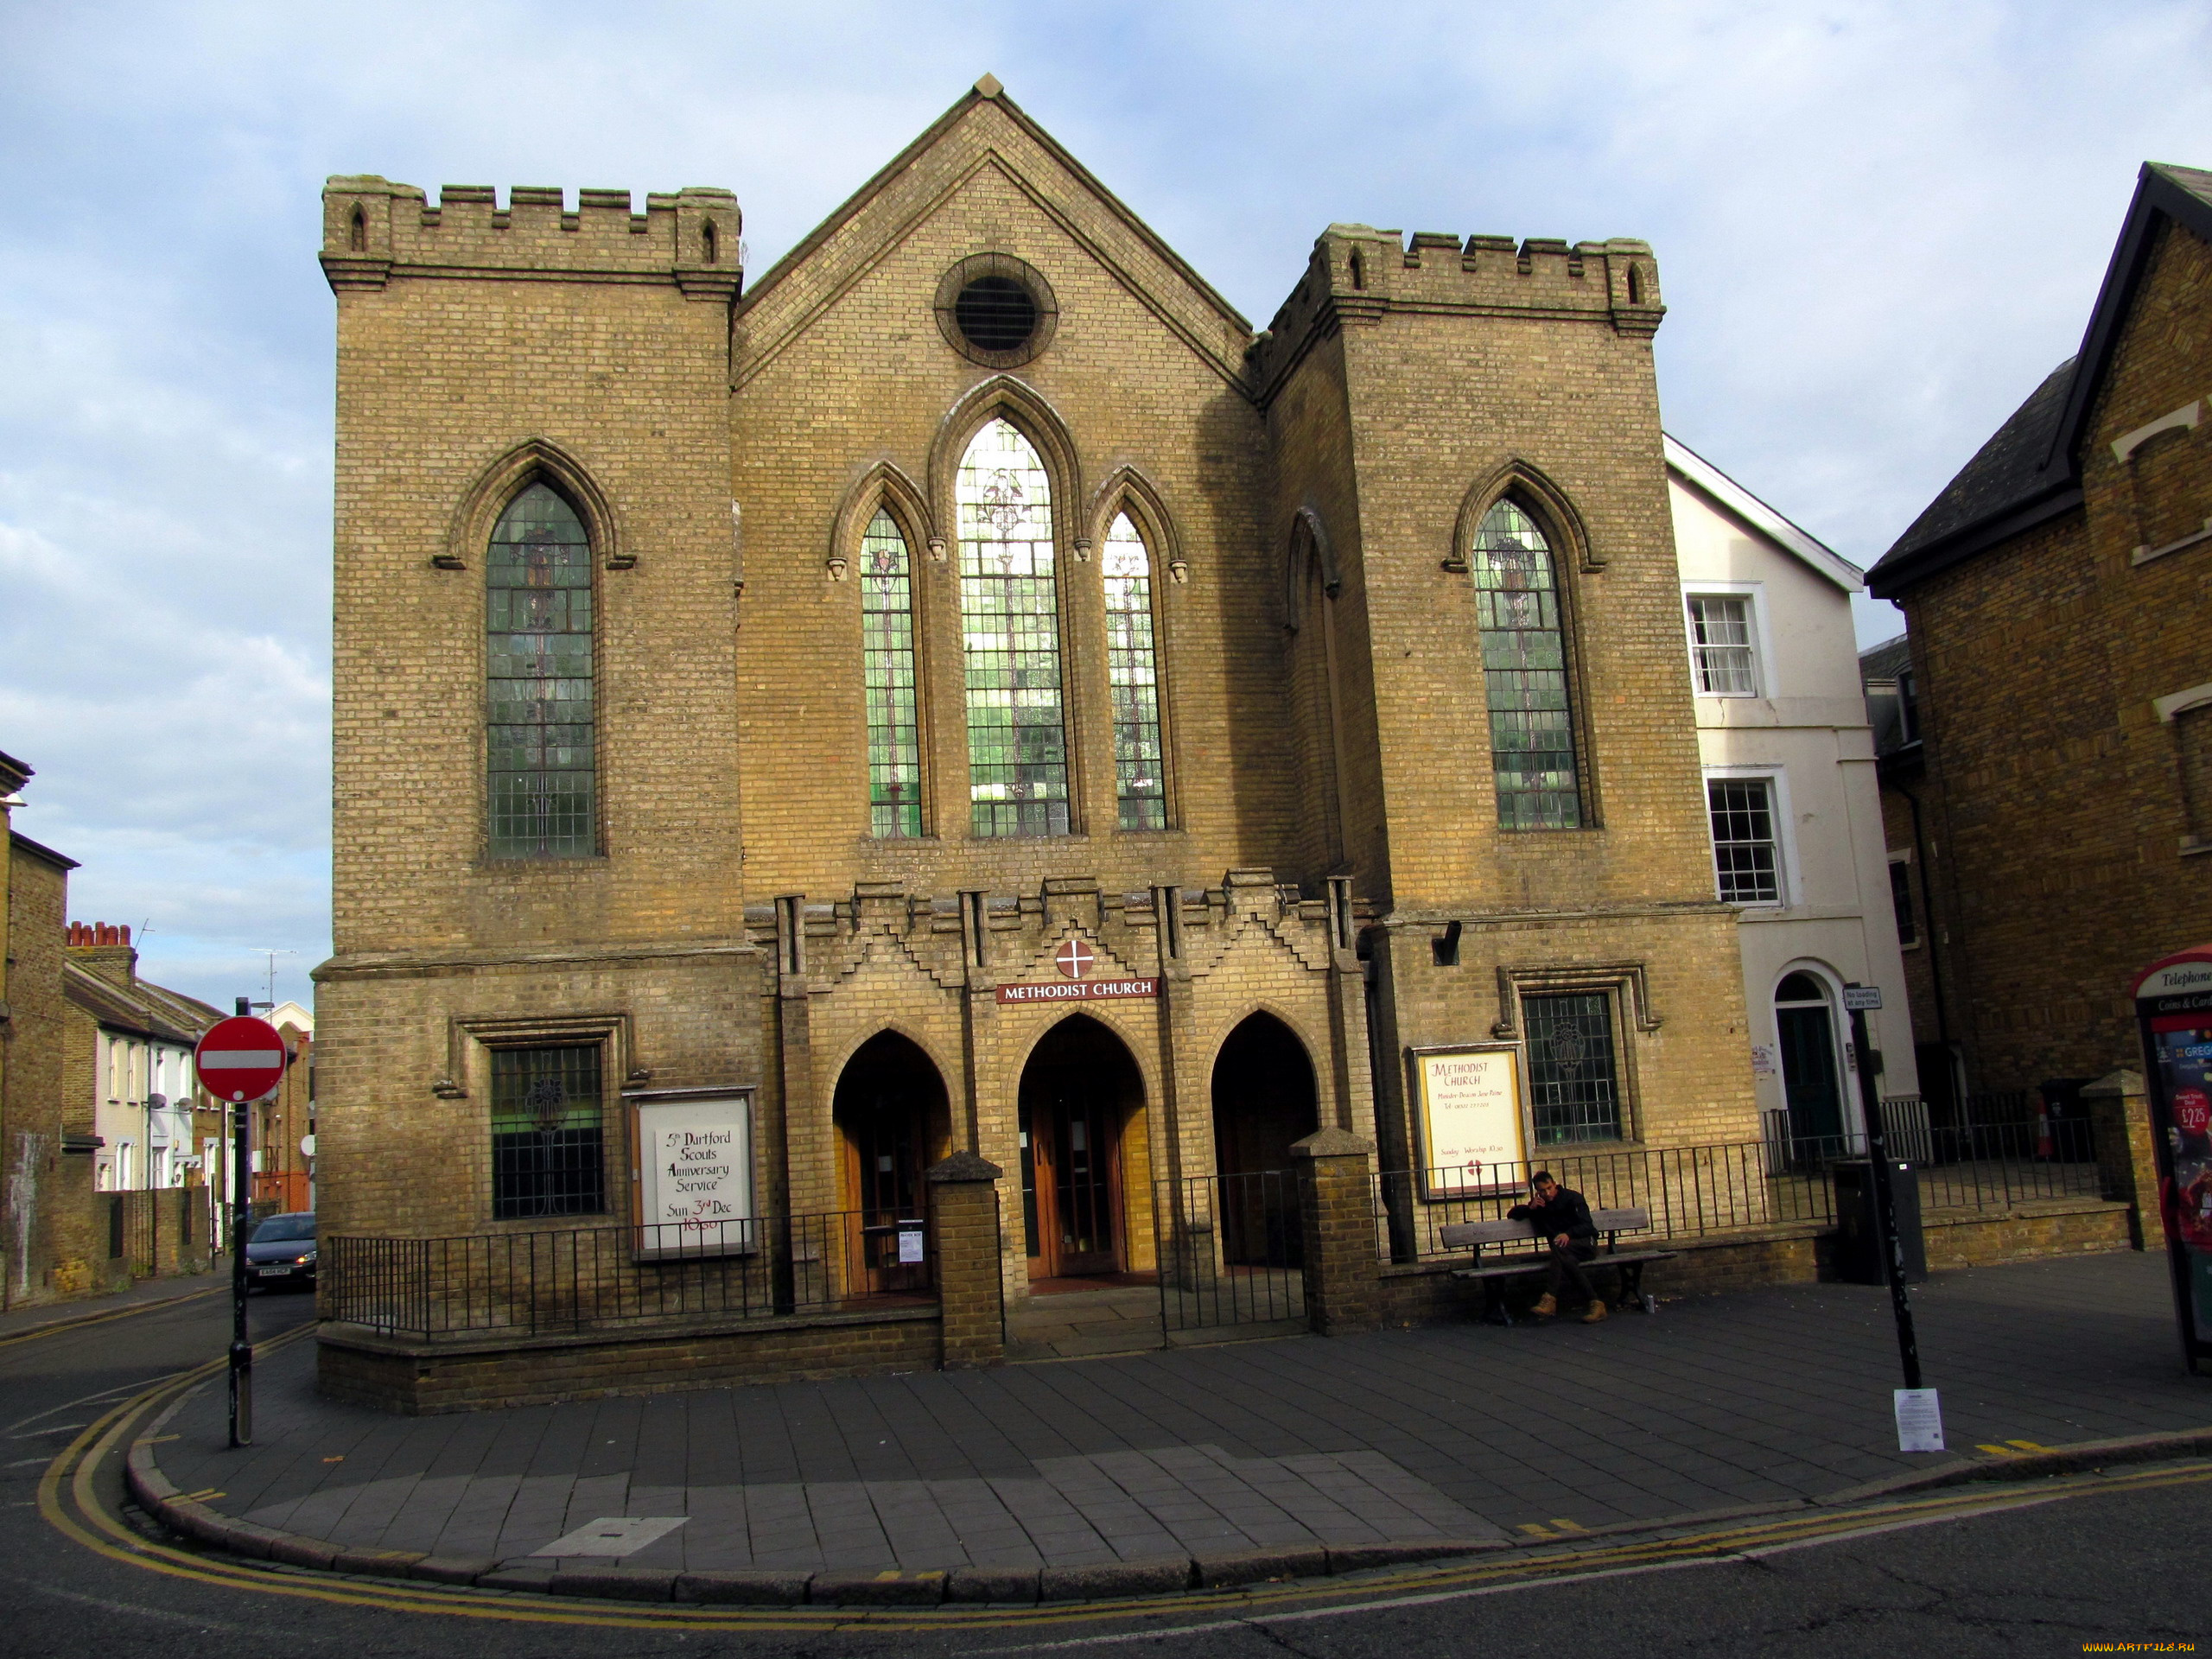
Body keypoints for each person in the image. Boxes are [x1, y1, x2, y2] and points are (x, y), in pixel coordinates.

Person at [1508, 1171, 1606, 1323]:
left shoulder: (1572, 1198)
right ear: (1538, 1192)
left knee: (1559, 1249)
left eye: (1549, 1188)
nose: (1547, 1193)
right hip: (1563, 1251)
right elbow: (1512, 1214)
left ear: (1554, 1184)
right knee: (1566, 1261)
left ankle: (1549, 1298)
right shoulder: (1540, 1206)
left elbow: (1587, 1226)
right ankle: (1596, 1303)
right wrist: (1530, 1209)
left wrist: (1569, 1234)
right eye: (1542, 1191)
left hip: (1585, 1244)